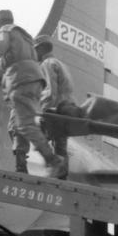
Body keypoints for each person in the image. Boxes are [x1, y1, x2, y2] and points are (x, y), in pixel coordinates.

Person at [0, 10, 67, 178]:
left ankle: (53, 159)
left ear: (0, 24)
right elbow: (22, 60)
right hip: (32, 81)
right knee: (16, 125)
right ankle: (21, 166)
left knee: (24, 124)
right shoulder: (25, 38)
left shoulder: (6, 30)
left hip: (21, 82)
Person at [34, 34, 76, 172]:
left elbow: (50, 91)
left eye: (35, 50)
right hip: (68, 109)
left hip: (57, 109)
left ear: (41, 49)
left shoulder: (47, 64)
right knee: (60, 146)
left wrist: (43, 112)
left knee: (38, 137)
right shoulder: (61, 64)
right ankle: (61, 176)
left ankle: (54, 170)